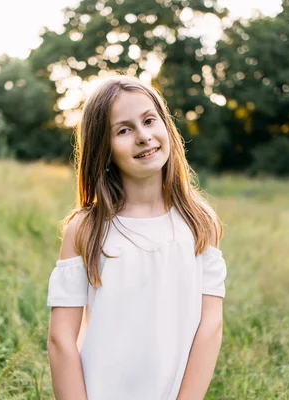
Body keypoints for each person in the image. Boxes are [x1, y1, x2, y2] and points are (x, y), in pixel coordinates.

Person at [46, 75, 227, 400]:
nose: (143, 137)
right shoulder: (86, 229)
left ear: (166, 126)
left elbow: (210, 328)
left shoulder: (199, 224)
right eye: (124, 130)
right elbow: (61, 340)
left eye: (148, 120)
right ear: (104, 147)